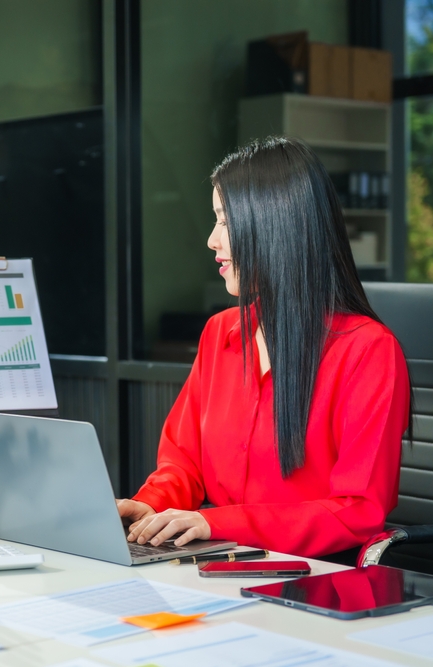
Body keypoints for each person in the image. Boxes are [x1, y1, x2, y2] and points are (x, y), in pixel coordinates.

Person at [117, 137, 411, 559]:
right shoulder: (220, 333)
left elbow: (358, 512)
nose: (212, 241)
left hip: (314, 578)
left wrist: (214, 522)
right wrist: (151, 505)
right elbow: (184, 463)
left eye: (225, 221)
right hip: (217, 561)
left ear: (275, 224)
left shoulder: (368, 351)